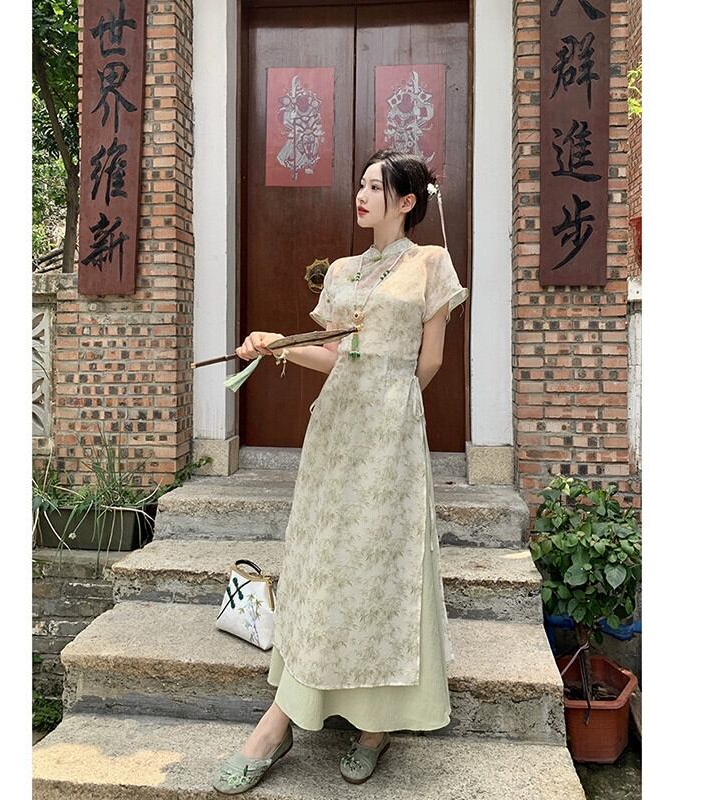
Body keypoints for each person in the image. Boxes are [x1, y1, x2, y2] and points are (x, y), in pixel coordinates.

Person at [211, 148, 468, 795]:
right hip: (335, 431)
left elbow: (430, 361)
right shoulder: (343, 272)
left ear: (406, 202)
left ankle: (375, 728)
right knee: (325, 560)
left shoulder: (430, 263)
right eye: (361, 184)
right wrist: (274, 345)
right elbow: (332, 356)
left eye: (375, 187)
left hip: (390, 431)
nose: (362, 194)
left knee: (381, 564)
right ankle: (282, 719)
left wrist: (393, 404)